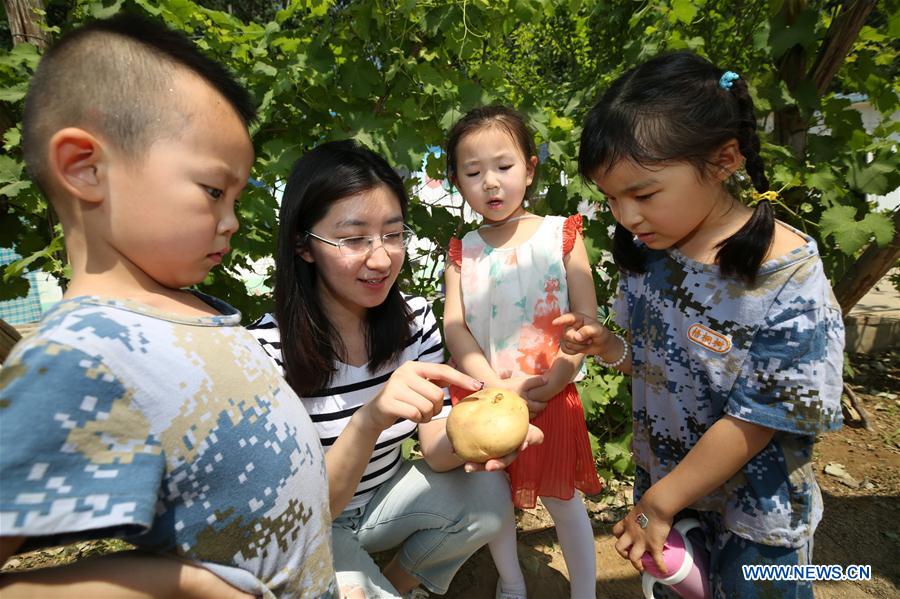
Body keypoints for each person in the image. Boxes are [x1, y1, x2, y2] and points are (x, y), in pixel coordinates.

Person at [0, 14, 336, 599]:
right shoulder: (80, 353)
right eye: (214, 191)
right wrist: (173, 584)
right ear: (85, 167)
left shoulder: (198, 309)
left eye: (236, 197)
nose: (230, 221)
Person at [558, 51, 844, 598]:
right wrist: (611, 347)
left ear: (724, 160)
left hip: (758, 522)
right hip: (667, 495)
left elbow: (758, 420)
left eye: (642, 194)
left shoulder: (786, 277)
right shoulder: (652, 255)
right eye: (611, 198)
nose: (626, 216)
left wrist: (660, 502)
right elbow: (655, 357)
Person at [248, 139, 542, 599]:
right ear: (304, 246)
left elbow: (436, 449)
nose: (382, 258)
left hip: (385, 501)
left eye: (392, 233)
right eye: (353, 238)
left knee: (488, 496)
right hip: (311, 525)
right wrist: (370, 420)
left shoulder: (414, 321)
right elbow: (301, 513)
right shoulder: (264, 353)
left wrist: (481, 432)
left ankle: (398, 584)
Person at [443, 105, 603, 599]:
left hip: (551, 395)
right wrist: (495, 387)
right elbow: (455, 327)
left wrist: (556, 379)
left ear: (530, 169)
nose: (491, 183)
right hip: (484, 403)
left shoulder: (563, 235)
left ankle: (586, 592)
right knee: (494, 503)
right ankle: (512, 583)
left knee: (563, 500)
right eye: (473, 172)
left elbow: (585, 325)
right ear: (458, 181)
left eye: (504, 167)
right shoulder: (462, 249)